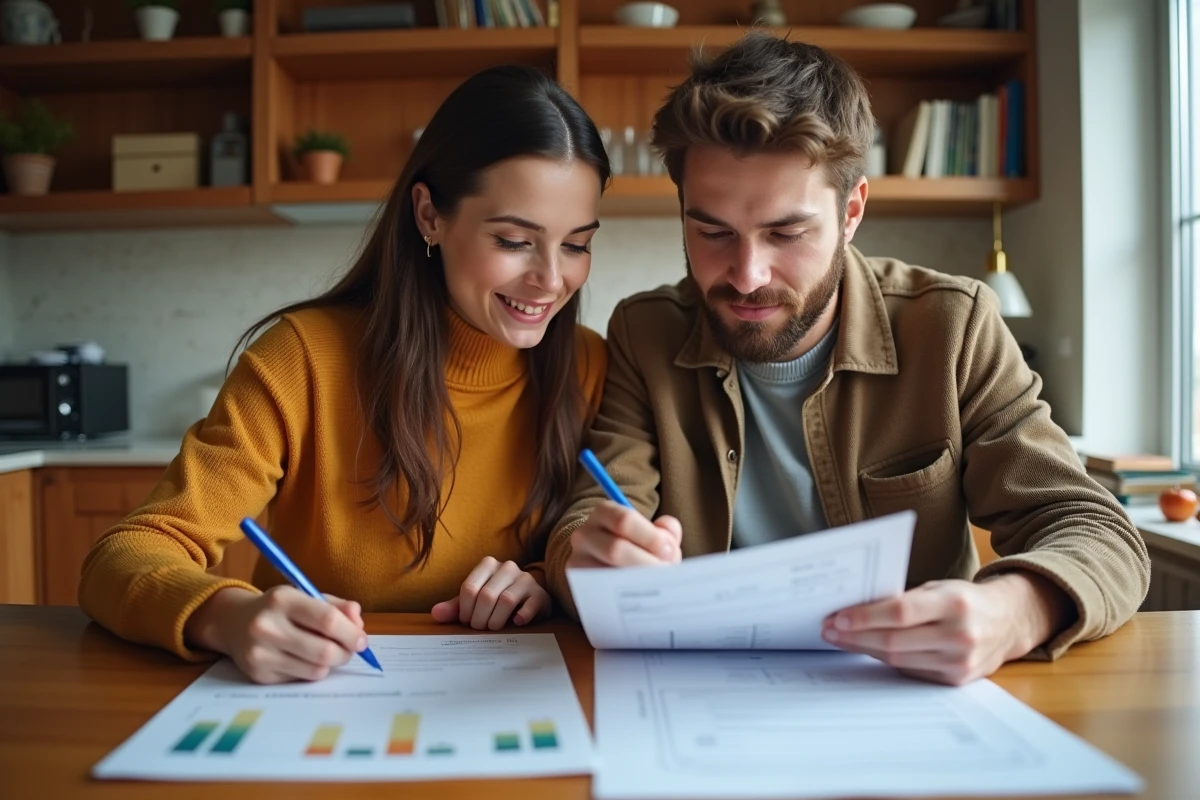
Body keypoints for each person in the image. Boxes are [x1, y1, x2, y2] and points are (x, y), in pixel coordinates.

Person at [545, 33, 1150, 686]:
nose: (746, 275)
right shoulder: (645, 331)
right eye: (712, 232)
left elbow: (1095, 529)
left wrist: (1015, 610)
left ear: (852, 210)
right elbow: (586, 520)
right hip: (701, 696)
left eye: (787, 232)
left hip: (902, 699)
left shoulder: (951, 326)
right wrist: (591, 558)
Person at [78, 65, 610, 684]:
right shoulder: (301, 359)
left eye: (576, 244)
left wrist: (542, 582)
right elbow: (120, 558)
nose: (551, 279)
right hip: (320, 701)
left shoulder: (589, 367)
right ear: (430, 215)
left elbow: (592, 539)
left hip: (501, 700)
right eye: (515, 240)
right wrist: (228, 617)